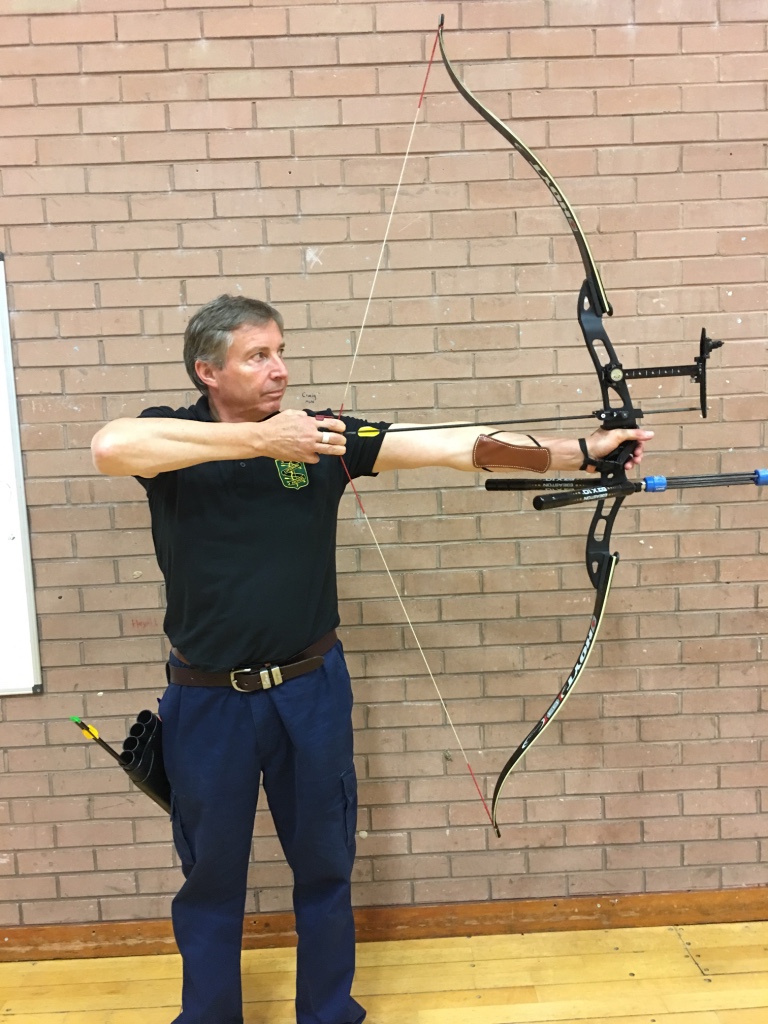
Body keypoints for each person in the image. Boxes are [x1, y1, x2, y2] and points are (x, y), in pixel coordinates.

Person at [91, 294, 652, 1024]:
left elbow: (458, 446)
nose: (278, 370)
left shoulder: (322, 437)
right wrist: (261, 443)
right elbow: (110, 448)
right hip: (207, 700)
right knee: (211, 875)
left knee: (324, 863)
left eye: (280, 351)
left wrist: (579, 451)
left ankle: (327, 1013)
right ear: (208, 371)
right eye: (257, 356)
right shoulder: (174, 435)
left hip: (309, 691)